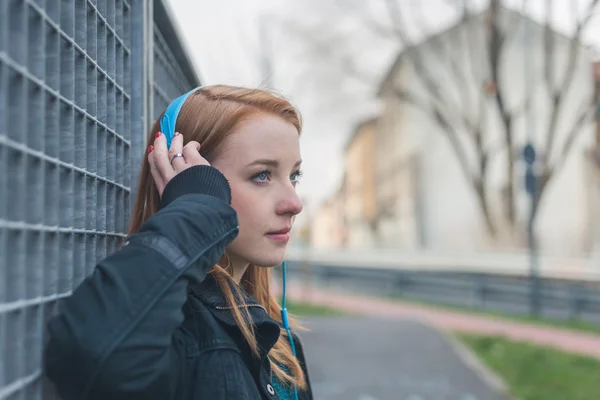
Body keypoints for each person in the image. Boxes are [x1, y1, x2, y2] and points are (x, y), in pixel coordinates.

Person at [43, 85, 313, 400]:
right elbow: (94, 357)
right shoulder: (175, 331)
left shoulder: (278, 342)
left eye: (294, 175)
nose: (294, 203)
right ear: (185, 176)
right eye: (262, 175)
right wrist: (199, 210)